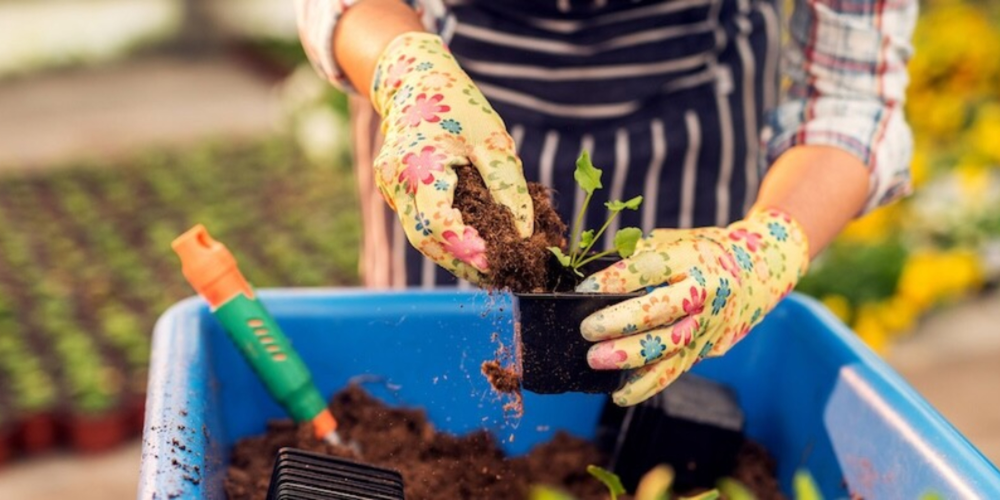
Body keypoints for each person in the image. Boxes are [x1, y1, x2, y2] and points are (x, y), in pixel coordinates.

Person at [293, 0, 916, 406]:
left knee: (671, 407)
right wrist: (408, 71)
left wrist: (767, 246)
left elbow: (850, 91)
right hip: (457, 80)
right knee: (430, 404)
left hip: (696, 89)